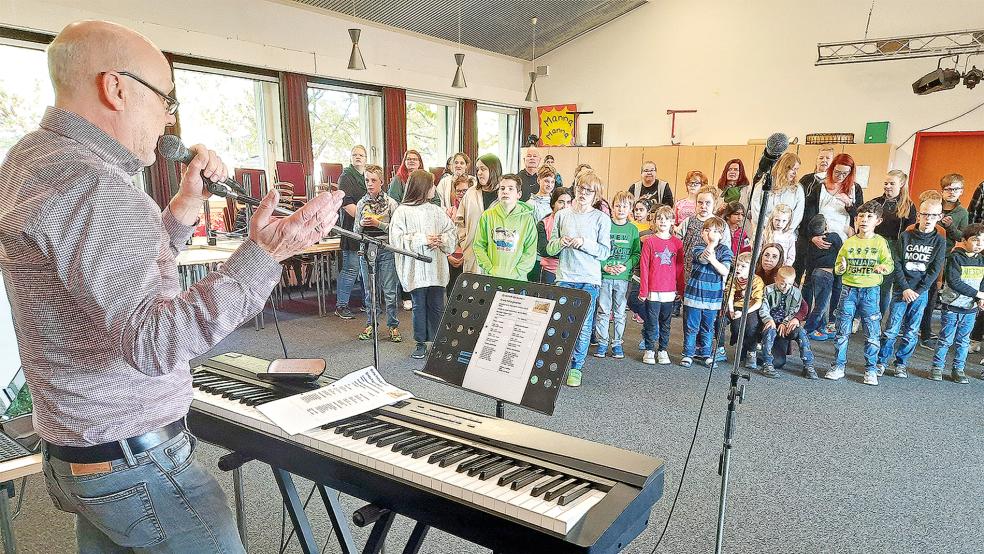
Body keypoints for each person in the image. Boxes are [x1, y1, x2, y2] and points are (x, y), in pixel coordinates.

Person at [0, 20, 343, 553]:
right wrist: (267, 254)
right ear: (115, 88)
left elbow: (110, 280)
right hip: (135, 465)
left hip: (81, 457)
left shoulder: (32, 159)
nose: (170, 118)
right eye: (164, 98)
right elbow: (155, 341)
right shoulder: (98, 185)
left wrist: (183, 209)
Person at [547, 172, 612, 387]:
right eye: (580, 188)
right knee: (562, 324)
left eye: (589, 191)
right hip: (565, 276)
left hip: (589, 279)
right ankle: (559, 363)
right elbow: (550, 247)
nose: (583, 193)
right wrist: (561, 243)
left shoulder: (601, 218)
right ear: (575, 188)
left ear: (596, 195)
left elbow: (604, 252)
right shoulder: (562, 215)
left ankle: (576, 367)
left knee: (583, 326)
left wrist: (583, 242)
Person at [389, 170, 457, 359]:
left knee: (437, 305)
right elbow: (396, 240)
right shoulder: (402, 212)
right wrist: (423, 239)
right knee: (419, 306)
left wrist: (441, 240)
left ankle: (436, 341)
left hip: (436, 267)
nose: (435, 188)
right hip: (416, 270)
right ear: (422, 188)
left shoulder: (436, 211)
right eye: (432, 185)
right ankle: (420, 343)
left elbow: (451, 232)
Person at [875, 197, 946, 378]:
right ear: (919, 215)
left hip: (920, 292)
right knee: (891, 329)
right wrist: (905, 287)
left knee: (911, 330)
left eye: (933, 215)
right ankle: (881, 361)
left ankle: (901, 363)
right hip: (901, 289)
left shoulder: (939, 241)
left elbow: (935, 268)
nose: (928, 218)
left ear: (939, 216)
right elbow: (897, 262)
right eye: (924, 214)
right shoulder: (906, 236)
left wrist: (918, 291)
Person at [826, 200, 894, 385]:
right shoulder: (849, 243)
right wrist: (841, 266)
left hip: (870, 291)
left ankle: (870, 369)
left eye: (869, 217)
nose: (864, 220)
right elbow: (838, 268)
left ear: (878, 221)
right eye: (861, 216)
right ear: (856, 219)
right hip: (848, 290)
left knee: (872, 332)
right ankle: (838, 366)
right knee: (842, 330)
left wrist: (882, 267)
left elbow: (889, 265)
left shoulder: (880, 242)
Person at [799, 152, 865, 331]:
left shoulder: (854, 189)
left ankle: (831, 320)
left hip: (842, 239)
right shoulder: (818, 187)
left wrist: (849, 205)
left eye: (845, 173)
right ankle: (805, 315)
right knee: (811, 278)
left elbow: (860, 217)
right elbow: (807, 215)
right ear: (831, 168)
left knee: (837, 281)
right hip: (818, 237)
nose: (840, 176)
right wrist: (812, 236)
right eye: (837, 172)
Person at [353, 164, 402, 342]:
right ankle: (371, 324)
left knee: (389, 291)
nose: (370, 184)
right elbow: (355, 231)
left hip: (386, 249)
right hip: (366, 250)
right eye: (367, 180)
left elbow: (396, 231)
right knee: (369, 291)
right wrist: (362, 225)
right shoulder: (361, 204)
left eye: (374, 180)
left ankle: (393, 326)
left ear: (382, 182)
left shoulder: (391, 203)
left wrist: (377, 224)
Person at [920, 173, 969, 348]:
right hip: (923, 251)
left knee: (933, 292)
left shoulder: (962, 213)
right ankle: (911, 325)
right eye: (947, 188)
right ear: (942, 190)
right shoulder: (934, 204)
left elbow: (962, 237)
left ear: (961, 191)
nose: (951, 192)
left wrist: (950, 226)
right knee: (917, 289)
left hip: (943, 256)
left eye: (955, 189)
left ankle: (926, 331)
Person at [932, 223, 984, 383]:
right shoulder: (955, 257)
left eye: (983, 241)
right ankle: (937, 367)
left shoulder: (981, 260)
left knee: (964, 341)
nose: (979, 244)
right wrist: (977, 293)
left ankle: (958, 369)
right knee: (946, 339)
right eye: (975, 240)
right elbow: (954, 281)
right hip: (952, 307)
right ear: (964, 240)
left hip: (970, 309)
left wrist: (980, 298)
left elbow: (982, 282)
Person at [680, 216, 733, 368]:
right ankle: (688, 353)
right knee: (692, 326)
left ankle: (706, 353)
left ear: (722, 235)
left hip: (712, 299)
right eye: (707, 230)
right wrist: (711, 244)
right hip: (694, 296)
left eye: (716, 231)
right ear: (702, 233)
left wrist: (714, 259)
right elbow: (703, 259)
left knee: (708, 327)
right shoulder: (697, 247)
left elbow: (724, 270)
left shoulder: (725, 251)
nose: (711, 233)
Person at [594, 191, 640, 359]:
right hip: (605, 277)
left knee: (620, 312)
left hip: (623, 278)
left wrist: (625, 266)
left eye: (625, 206)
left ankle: (617, 343)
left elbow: (636, 254)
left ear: (630, 209)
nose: (621, 209)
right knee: (604, 311)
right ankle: (602, 342)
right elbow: (597, 251)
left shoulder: (633, 229)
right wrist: (604, 266)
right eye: (617, 205)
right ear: (612, 207)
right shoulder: (605, 225)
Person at [638, 206, 683, 365]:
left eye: (666, 218)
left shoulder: (677, 243)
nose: (663, 221)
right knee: (651, 321)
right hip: (653, 291)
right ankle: (649, 349)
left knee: (666, 322)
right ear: (655, 221)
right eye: (659, 218)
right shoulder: (649, 241)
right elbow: (644, 266)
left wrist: (681, 289)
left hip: (670, 291)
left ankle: (663, 349)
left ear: (672, 221)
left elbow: (679, 268)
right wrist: (644, 289)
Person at [472, 174, 538, 279]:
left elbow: (530, 251)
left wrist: (516, 272)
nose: (505, 191)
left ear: (519, 194)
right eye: (502, 188)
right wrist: (490, 268)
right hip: (491, 277)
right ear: (498, 193)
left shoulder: (527, 219)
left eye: (510, 189)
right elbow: (478, 246)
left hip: (517, 279)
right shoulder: (487, 216)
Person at [759, 266, 817, 379]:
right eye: (782, 283)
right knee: (769, 331)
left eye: (790, 284)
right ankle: (767, 363)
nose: (786, 287)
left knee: (800, 331)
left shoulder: (796, 293)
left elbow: (794, 310)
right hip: (771, 323)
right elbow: (764, 307)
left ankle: (808, 365)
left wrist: (786, 323)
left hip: (786, 325)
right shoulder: (768, 290)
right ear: (776, 279)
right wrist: (768, 320)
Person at [873, 170, 916, 314]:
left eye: (892, 183)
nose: (888, 186)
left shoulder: (909, 205)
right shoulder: (876, 202)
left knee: (885, 287)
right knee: (868, 283)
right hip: (874, 246)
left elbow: (910, 232)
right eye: (886, 183)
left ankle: (877, 319)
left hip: (894, 248)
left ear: (902, 184)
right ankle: (858, 317)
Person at [335, 144, 369, 319]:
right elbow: (348, 206)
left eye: (361, 155)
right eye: (355, 155)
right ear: (350, 158)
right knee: (350, 268)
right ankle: (341, 305)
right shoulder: (346, 177)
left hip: (369, 231)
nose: (358, 157)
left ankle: (367, 302)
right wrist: (367, 219)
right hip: (352, 229)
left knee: (366, 270)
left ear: (366, 158)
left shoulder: (368, 176)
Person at [456, 153, 503, 274]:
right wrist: (464, 242)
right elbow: (459, 221)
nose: (479, 173)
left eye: (483, 169)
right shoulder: (471, 193)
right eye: (477, 169)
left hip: (498, 254)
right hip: (473, 253)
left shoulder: (504, 195)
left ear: (494, 170)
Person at [802, 215, 844, 338]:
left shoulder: (812, 243)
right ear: (826, 226)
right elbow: (842, 250)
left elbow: (809, 259)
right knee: (821, 306)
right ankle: (808, 330)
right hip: (827, 274)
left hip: (815, 273)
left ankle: (821, 327)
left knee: (821, 303)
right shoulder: (834, 237)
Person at [748, 152, 804, 239]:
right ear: (784, 168)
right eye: (793, 169)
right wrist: (770, 228)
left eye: (797, 169)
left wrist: (783, 232)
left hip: (786, 236)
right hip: (763, 233)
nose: (795, 173)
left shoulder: (797, 189)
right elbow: (756, 211)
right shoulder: (763, 185)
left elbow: (798, 215)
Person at [725, 252, 763, 370]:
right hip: (736, 307)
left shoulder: (757, 281)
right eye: (737, 265)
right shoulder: (733, 278)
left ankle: (751, 352)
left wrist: (744, 313)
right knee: (736, 326)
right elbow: (729, 293)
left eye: (743, 266)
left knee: (752, 326)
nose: (738, 268)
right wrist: (731, 310)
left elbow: (758, 301)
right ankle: (741, 347)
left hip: (750, 308)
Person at [536, 187, 571, 284]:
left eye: (568, 202)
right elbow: (543, 251)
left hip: (570, 273)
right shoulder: (543, 224)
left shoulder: (577, 223)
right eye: (561, 202)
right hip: (550, 272)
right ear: (553, 203)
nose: (565, 206)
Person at [445, 175, 472, 294]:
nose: (461, 194)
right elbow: (443, 236)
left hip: (470, 256)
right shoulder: (448, 212)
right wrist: (448, 255)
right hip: (452, 257)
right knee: (452, 292)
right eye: (458, 191)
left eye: (464, 190)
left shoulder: (476, 211)